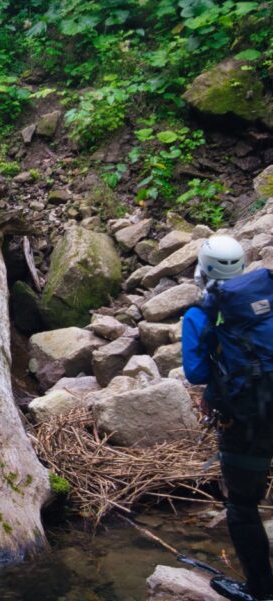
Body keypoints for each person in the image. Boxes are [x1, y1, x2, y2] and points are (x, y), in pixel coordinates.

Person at [183, 235, 273, 601]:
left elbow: (196, 372)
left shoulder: (200, 314)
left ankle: (261, 591)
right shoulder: (266, 298)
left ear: (202, 270)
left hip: (246, 421)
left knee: (242, 505)